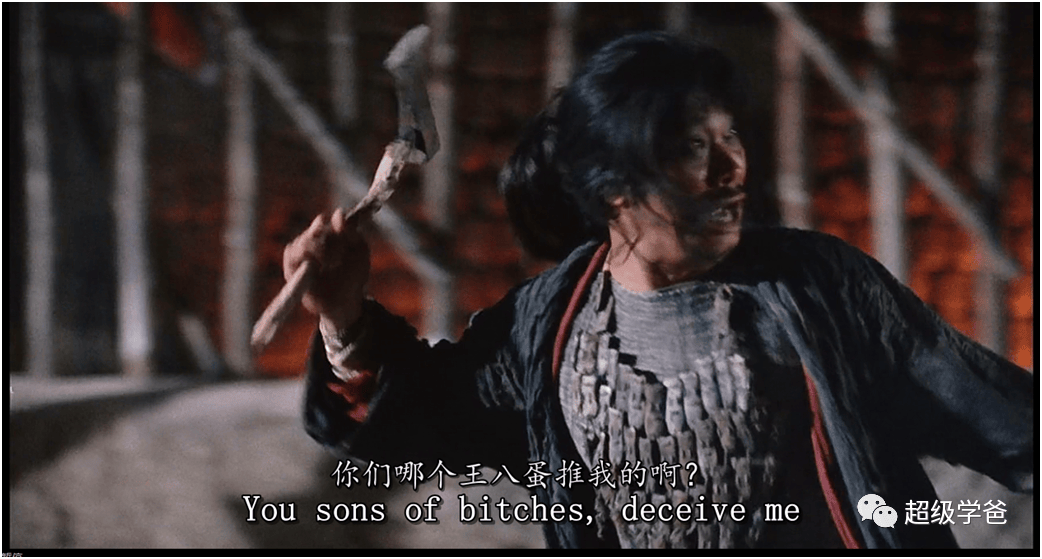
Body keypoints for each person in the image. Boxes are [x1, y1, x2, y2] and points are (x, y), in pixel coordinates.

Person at [285, 32, 1033, 549]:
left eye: (729, 138)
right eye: (691, 149)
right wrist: (343, 316)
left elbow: (1005, 420)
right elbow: (416, 425)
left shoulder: (818, 290)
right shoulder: (545, 327)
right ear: (612, 186)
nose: (730, 170)